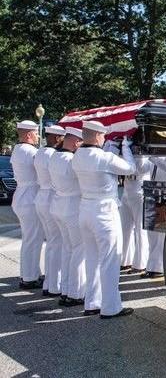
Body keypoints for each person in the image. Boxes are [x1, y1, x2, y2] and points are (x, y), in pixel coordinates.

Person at [72, 120, 136, 318]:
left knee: (91, 259)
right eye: (102, 136)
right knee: (109, 260)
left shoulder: (77, 156)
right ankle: (110, 307)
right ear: (98, 136)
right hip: (104, 213)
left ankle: (92, 303)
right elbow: (130, 169)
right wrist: (125, 147)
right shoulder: (104, 157)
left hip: (85, 210)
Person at [48, 126, 85, 305]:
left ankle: (65, 289)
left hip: (58, 205)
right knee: (78, 249)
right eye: (80, 142)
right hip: (72, 206)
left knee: (67, 249)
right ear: (75, 141)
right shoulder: (72, 159)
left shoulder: (54, 156)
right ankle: (75, 293)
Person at [33, 124, 66, 296]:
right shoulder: (53, 154)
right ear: (55, 138)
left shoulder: (39, 152)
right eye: (61, 138)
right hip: (51, 196)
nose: (63, 141)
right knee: (57, 242)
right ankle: (55, 284)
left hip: (42, 196)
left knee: (52, 243)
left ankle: (49, 282)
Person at [10, 120, 43, 289]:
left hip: (22, 195)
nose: (38, 136)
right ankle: (29, 277)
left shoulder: (17, 149)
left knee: (29, 237)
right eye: (36, 133)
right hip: (30, 196)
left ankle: (30, 273)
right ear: (29, 135)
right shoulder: (31, 151)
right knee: (33, 238)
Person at [143, 156, 166, 279]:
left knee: (162, 234)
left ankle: (160, 267)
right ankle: (152, 266)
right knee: (151, 233)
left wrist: (154, 157)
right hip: (152, 192)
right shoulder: (156, 156)